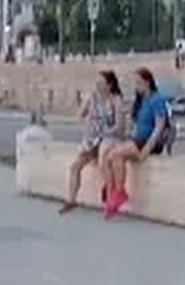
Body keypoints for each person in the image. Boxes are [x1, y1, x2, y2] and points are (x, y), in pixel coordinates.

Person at [101, 68, 169, 218]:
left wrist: (147, 147)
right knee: (111, 154)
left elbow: (159, 126)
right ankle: (116, 190)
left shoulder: (157, 99)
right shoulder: (141, 100)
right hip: (138, 140)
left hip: (149, 142)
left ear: (147, 82)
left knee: (116, 154)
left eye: (138, 82)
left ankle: (119, 192)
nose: (136, 86)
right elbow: (135, 124)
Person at [61, 70, 126, 214]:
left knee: (104, 159)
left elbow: (120, 126)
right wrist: (87, 115)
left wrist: (105, 132)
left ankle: (110, 198)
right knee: (75, 166)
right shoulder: (92, 98)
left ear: (109, 85)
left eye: (101, 83)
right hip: (92, 138)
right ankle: (71, 200)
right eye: (97, 83)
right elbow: (80, 115)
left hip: (110, 136)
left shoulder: (116, 100)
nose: (98, 85)